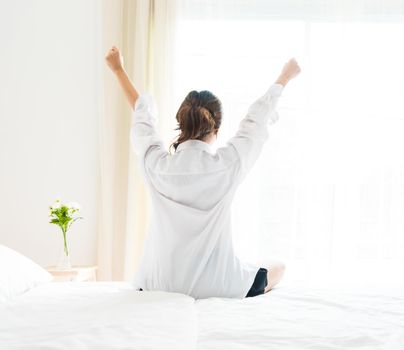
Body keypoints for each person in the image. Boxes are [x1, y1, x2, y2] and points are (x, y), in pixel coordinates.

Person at [105, 46, 301, 299]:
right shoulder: (229, 164)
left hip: (160, 283)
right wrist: (284, 77)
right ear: (216, 128)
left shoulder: (157, 165)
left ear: (181, 123)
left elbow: (143, 119)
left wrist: (118, 70)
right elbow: (256, 120)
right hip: (219, 285)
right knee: (279, 267)